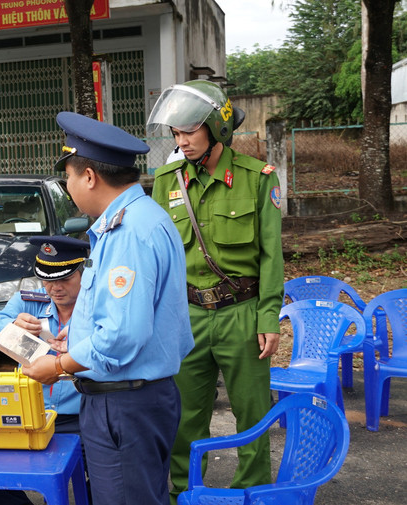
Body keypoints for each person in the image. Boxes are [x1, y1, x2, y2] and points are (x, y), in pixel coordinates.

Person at [23, 111, 194, 505]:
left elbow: (123, 335)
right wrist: (79, 338)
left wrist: (60, 366)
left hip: (123, 404)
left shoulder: (127, 231)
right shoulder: (143, 218)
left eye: (68, 175)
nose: (67, 186)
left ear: (89, 176)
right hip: (138, 398)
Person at [146, 80, 283, 501]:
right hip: (186, 317)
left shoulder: (256, 179)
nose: (181, 142)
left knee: (252, 413)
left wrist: (268, 318)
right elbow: (158, 258)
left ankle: (253, 490)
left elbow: (271, 257)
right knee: (185, 417)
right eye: (175, 134)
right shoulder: (166, 181)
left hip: (242, 314)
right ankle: (187, 493)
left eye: (188, 132)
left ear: (216, 129)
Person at [0, 235, 88, 505]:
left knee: (105, 474)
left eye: (64, 279)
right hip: (31, 413)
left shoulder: (94, 308)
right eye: (48, 279)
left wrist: (63, 359)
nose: (55, 288)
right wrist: (17, 327)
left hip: (80, 417)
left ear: (83, 274)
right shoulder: (29, 300)